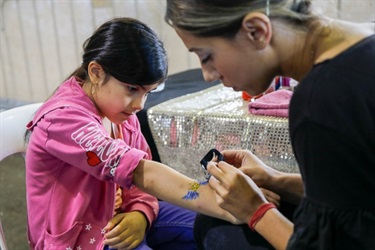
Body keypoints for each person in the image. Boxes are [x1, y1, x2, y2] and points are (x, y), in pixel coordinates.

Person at [164, 0, 375, 249]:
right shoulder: (365, 38)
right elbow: (357, 191)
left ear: (256, 31)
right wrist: (275, 179)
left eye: (206, 56)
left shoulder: (320, 103)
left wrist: (255, 211)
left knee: (216, 229)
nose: (208, 75)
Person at [25, 17, 240, 250]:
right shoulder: (63, 119)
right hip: (82, 241)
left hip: (121, 219)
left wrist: (141, 213)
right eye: (131, 89)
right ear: (96, 72)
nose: (140, 104)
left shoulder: (122, 115)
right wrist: (214, 200)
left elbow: (140, 184)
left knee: (217, 228)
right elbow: (140, 172)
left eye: (148, 92)